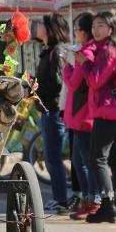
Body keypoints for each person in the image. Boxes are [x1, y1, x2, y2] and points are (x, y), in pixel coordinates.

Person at [77, 11, 116, 224]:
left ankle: (108, 206)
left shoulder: (108, 51)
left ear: (110, 28)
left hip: (108, 111)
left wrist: (83, 62)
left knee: (97, 158)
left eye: (100, 25)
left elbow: (95, 80)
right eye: (94, 26)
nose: (95, 30)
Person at [62, 12, 100, 220]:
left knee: (85, 161)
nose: (74, 33)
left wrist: (65, 68)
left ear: (84, 32)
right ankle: (88, 199)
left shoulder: (85, 53)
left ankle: (93, 200)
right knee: (79, 161)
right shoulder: (85, 51)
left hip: (84, 115)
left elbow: (75, 84)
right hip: (79, 116)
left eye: (76, 29)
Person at [34, 14, 71, 213]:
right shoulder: (48, 52)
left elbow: (57, 84)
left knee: (53, 158)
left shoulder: (56, 53)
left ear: (49, 29)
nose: (37, 26)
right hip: (47, 110)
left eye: (41, 24)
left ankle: (61, 200)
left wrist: (35, 88)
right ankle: (59, 198)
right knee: (51, 157)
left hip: (54, 111)